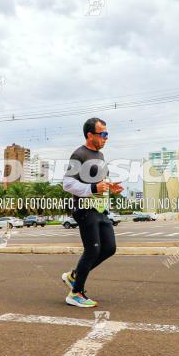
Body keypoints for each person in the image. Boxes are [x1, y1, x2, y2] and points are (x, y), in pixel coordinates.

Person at [61, 118, 122, 308]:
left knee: (109, 248)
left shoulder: (100, 155)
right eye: (102, 134)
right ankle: (76, 293)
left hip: (100, 208)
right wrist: (94, 188)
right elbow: (68, 184)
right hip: (85, 208)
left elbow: (100, 179)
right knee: (93, 249)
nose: (106, 137)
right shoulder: (79, 154)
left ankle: (74, 276)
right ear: (90, 135)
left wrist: (110, 186)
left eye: (106, 134)